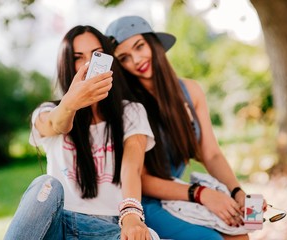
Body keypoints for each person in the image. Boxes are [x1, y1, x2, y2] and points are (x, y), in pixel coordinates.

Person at [105, 15, 260, 240]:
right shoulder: (130, 107)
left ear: (153, 43)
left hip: (180, 193)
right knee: (213, 239)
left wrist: (238, 193)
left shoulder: (191, 91)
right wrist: (201, 194)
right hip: (144, 201)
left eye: (140, 46)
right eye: (125, 58)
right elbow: (141, 177)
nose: (137, 59)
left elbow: (212, 154)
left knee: (240, 232)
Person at [4, 25, 159, 240]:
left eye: (97, 54)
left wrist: (131, 215)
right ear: (66, 64)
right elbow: (58, 124)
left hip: (108, 227)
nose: (89, 64)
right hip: (58, 223)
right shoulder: (47, 111)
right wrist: (71, 103)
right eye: (78, 57)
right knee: (45, 185)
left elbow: (132, 167)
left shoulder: (131, 112)